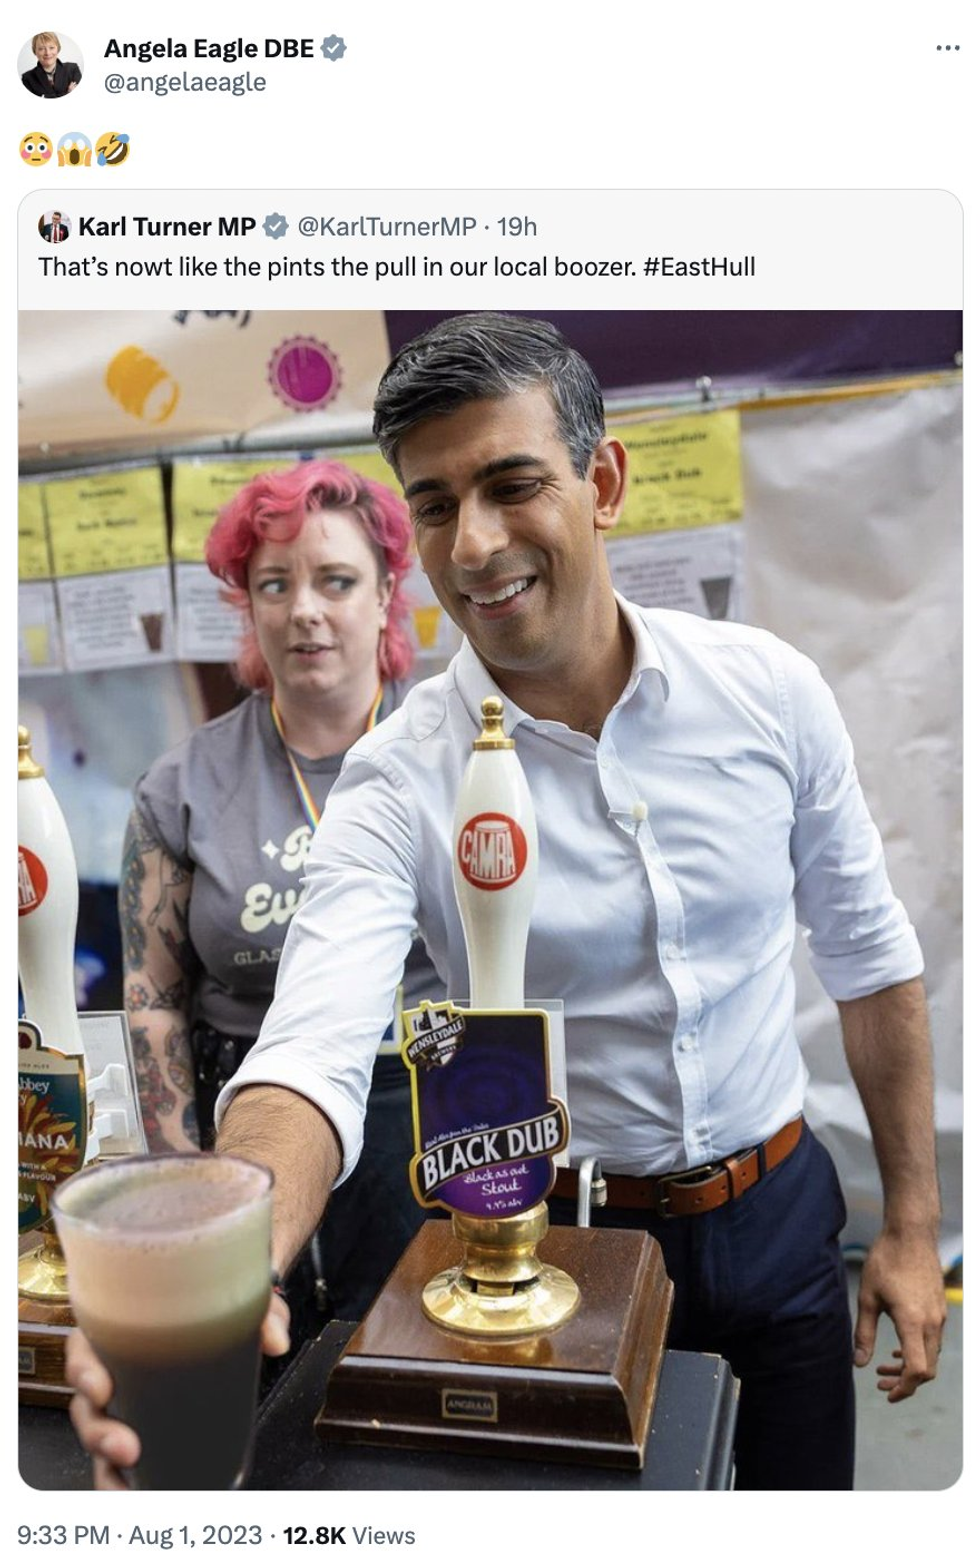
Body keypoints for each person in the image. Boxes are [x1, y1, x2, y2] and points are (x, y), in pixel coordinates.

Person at [69, 313, 946, 1490]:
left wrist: (908, 1227)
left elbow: (869, 960)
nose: (475, 544)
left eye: (511, 485)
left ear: (603, 482)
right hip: (559, 1256)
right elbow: (310, 1052)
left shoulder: (767, 693)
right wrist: (219, 1260)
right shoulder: (398, 776)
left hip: (781, 1216)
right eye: (434, 505)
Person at [118, 460, 438, 1331]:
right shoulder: (181, 785)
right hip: (247, 1125)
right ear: (248, 605)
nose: (304, 610)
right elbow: (153, 1001)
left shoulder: (457, 754)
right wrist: (183, 1184)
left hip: (429, 1122)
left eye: (336, 580)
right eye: (274, 584)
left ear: (386, 594)